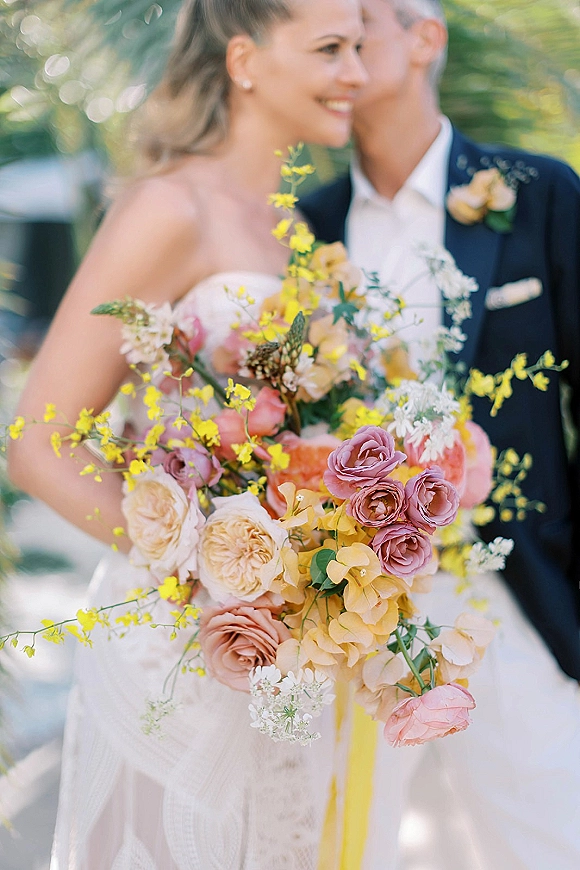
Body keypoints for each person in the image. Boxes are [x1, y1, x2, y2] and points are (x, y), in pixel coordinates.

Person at [8, 1, 368, 867]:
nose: (357, 72)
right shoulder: (170, 208)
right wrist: (201, 566)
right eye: (330, 48)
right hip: (176, 642)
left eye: (359, 46)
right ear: (245, 60)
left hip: (284, 655)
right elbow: (36, 444)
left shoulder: (299, 232)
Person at [302, 1, 580, 868]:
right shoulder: (306, 226)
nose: (339, 53)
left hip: (519, 595)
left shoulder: (538, 196)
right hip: (354, 618)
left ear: (427, 38)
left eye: (363, 27)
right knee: (346, 848)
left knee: (551, 841)